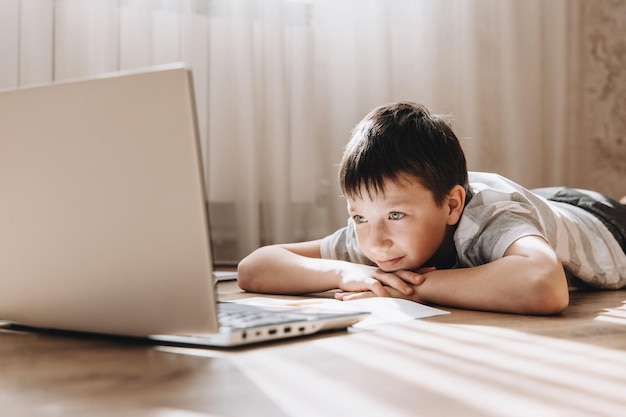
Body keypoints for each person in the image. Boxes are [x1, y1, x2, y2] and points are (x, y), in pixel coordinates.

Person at [237, 101, 626, 315]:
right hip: (541, 205)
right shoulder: (376, 235)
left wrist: (413, 290)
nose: (376, 242)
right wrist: (345, 271)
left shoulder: (486, 217)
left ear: (452, 205)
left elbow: (544, 285)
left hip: (601, 223)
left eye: (396, 215)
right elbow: (255, 267)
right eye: (358, 217)